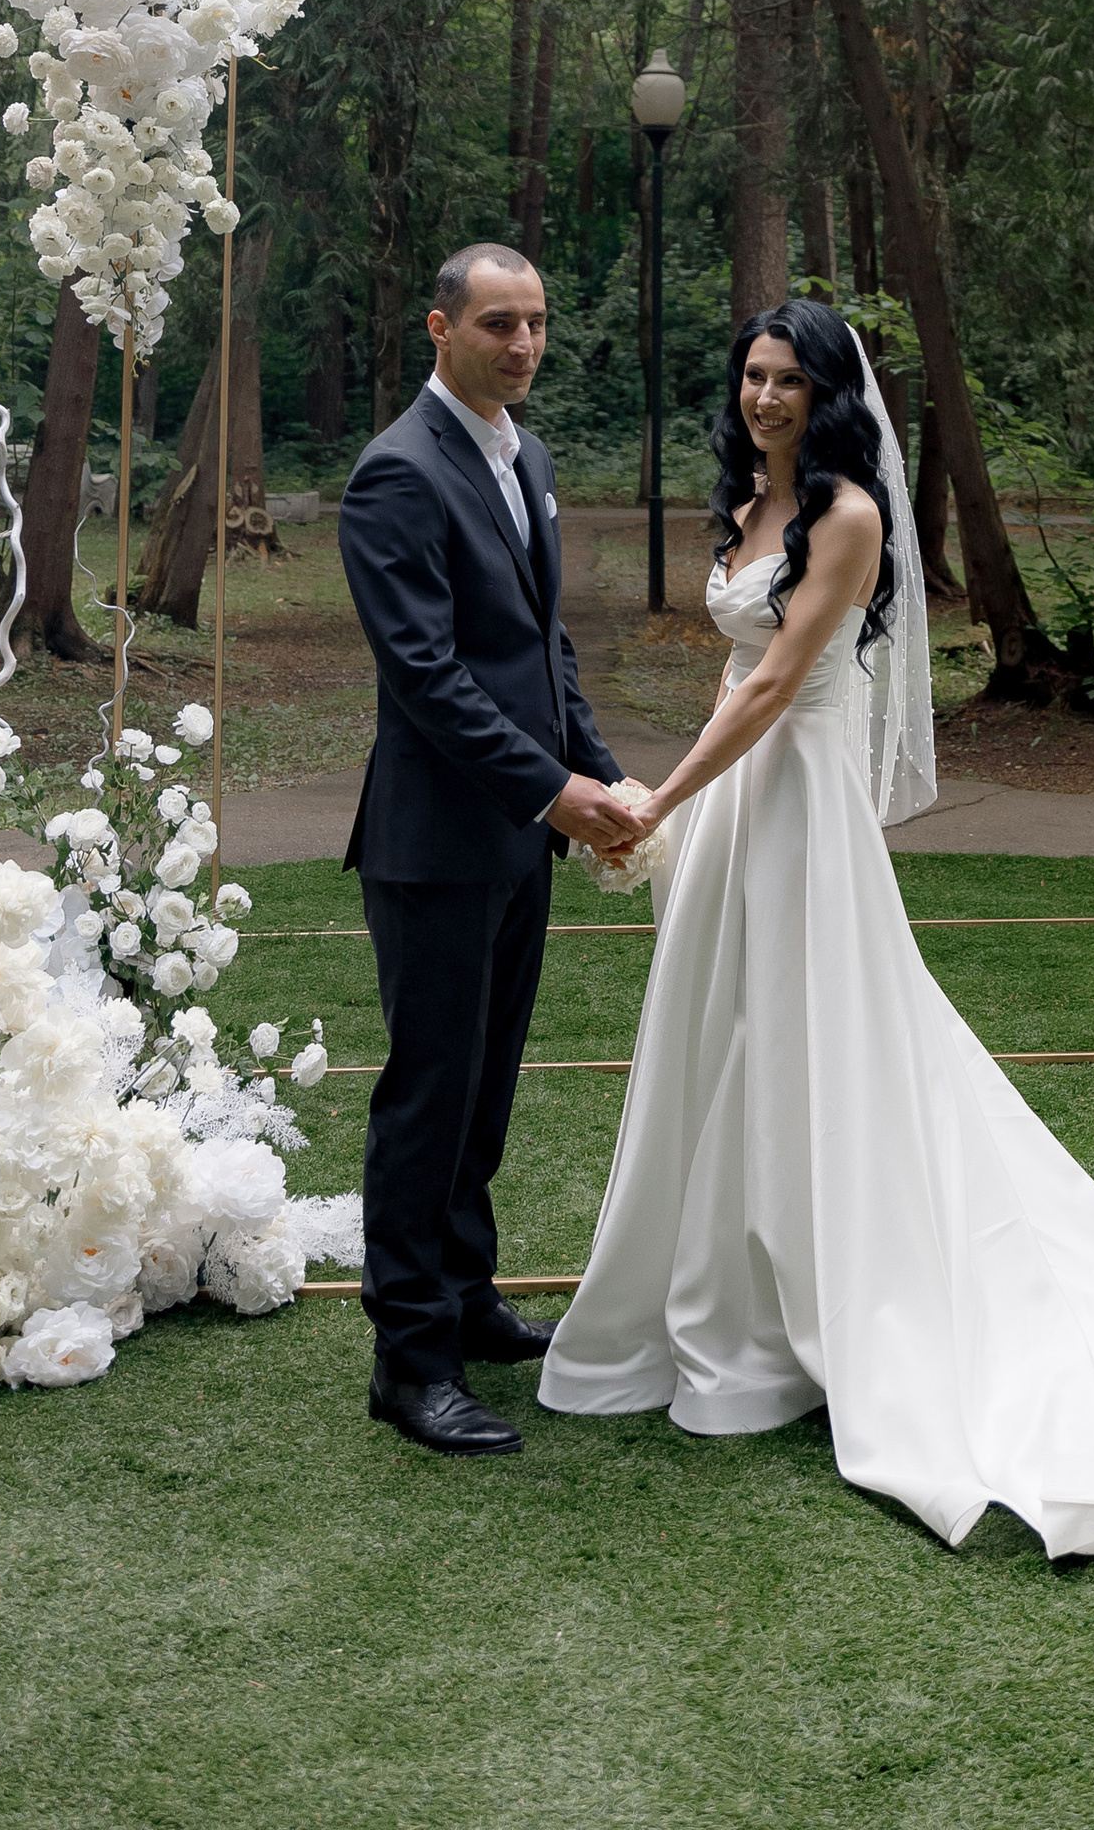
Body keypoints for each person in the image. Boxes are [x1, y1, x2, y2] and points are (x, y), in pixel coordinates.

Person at [539, 297, 1094, 1556]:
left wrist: (656, 799)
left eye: (788, 380)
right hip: (739, 801)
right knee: (723, 1037)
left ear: (831, 394)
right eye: (751, 376)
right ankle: (727, 1308)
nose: (763, 397)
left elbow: (773, 684)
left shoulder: (847, 517)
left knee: (813, 1039)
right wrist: (692, 816)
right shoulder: (750, 503)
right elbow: (730, 678)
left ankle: (833, 1308)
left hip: (795, 807)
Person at [336, 241, 639, 1460]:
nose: (521, 344)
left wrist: (599, 766)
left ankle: (465, 1300)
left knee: (486, 1093)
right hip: (436, 842)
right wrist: (552, 790)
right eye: (497, 323)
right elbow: (427, 678)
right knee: (427, 1099)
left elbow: (537, 648)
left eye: (536, 322)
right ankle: (407, 1362)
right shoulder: (396, 474)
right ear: (438, 327)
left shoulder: (526, 455)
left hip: (516, 840)